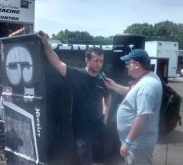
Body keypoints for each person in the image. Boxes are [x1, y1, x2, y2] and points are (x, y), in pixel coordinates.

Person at [37, 31, 111, 165]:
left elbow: (107, 95)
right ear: (87, 60)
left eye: (101, 61)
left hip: (99, 127)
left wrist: (106, 113)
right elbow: (58, 64)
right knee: (85, 161)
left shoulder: (102, 79)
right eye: (96, 61)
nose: (99, 64)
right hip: (82, 131)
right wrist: (46, 44)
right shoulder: (77, 75)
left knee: (100, 161)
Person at [104, 49, 162, 165]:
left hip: (138, 144)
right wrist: (114, 86)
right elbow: (131, 92)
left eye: (128, 63)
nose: (126, 66)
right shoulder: (143, 79)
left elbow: (143, 117)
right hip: (137, 143)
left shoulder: (146, 86)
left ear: (136, 65)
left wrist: (128, 143)